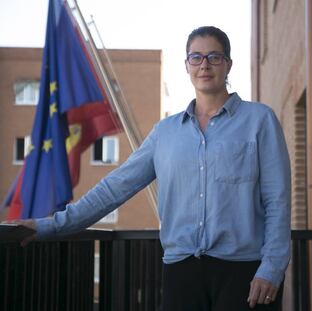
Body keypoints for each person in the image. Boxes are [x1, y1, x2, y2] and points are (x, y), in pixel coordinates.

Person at [10, 26, 291, 311]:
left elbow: (276, 201)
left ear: (228, 64)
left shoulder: (260, 121)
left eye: (214, 57)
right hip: (182, 273)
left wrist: (272, 268)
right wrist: (50, 226)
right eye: (196, 57)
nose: (204, 65)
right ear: (186, 65)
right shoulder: (165, 133)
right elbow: (115, 187)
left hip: (244, 272)